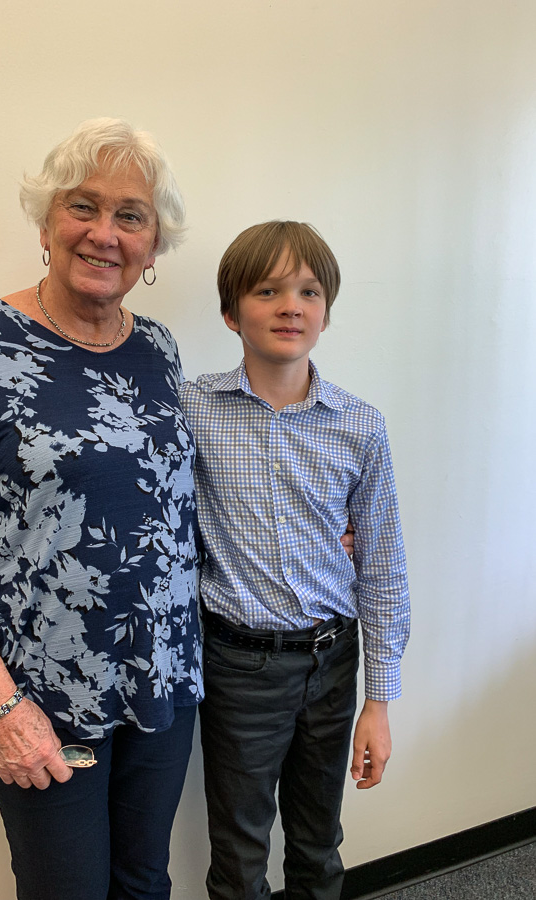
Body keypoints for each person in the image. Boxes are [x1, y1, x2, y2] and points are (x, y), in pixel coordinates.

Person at [0, 118, 203, 900]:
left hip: (163, 682)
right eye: (82, 206)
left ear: (152, 246)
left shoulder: (158, 350)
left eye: (130, 216)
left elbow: (169, 503)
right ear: (45, 224)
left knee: (145, 883)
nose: (105, 233)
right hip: (41, 695)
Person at [180, 220, 410, 900]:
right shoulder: (190, 409)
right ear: (231, 313)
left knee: (317, 842)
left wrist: (379, 700)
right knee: (239, 851)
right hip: (239, 667)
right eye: (267, 290)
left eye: (309, 291)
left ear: (326, 312)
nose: (291, 306)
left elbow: (383, 566)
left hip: (333, 662)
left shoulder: (359, 425)